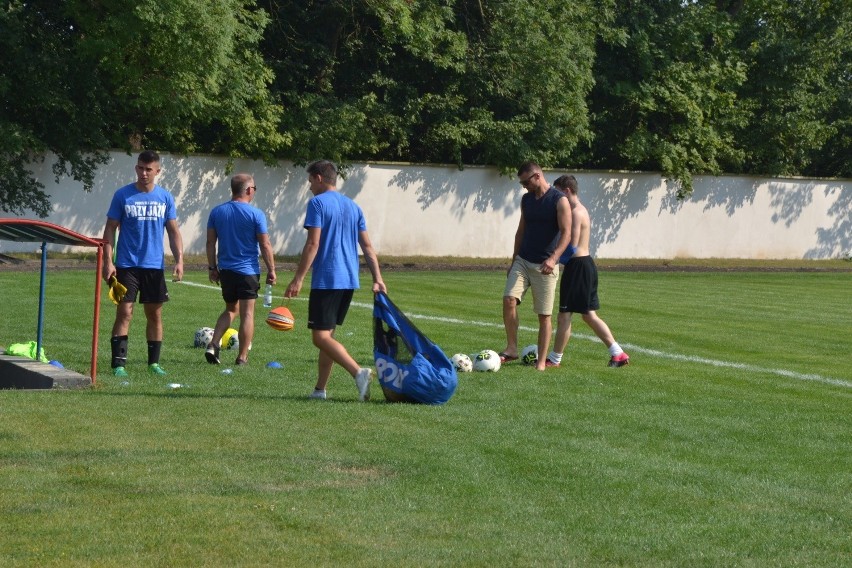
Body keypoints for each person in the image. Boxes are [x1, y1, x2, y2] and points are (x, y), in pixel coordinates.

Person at [284, 160, 387, 401]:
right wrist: (378, 278)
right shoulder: (353, 207)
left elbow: (313, 244)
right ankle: (320, 390)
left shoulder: (317, 204)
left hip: (328, 279)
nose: (309, 187)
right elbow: (368, 247)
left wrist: (298, 279)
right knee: (327, 337)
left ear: (319, 178)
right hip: (349, 280)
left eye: (310, 181)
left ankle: (358, 372)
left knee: (320, 338)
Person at [101, 150, 184, 377]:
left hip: (154, 266)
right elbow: (109, 229)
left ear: (157, 171)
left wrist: (179, 261)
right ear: (136, 168)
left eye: (149, 169)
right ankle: (119, 365)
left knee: (154, 315)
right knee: (124, 312)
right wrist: (108, 262)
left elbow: (174, 231)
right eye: (140, 168)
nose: (144, 173)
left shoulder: (165, 198)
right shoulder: (123, 195)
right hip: (127, 265)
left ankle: (154, 364)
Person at [545, 175, 630, 368]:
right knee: (588, 314)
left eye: (559, 193)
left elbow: (572, 244)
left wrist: (553, 260)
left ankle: (555, 359)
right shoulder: (581, 209)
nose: (558, 198)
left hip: (578, 267)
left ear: (567, 191)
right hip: (584, 266)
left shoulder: (575, 212)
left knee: (565, 315)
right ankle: (618, 353)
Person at [500, 161, 572, 371]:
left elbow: (566, 233)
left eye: (525, 182)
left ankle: (541, 362)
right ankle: (512, 348)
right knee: (509, 299)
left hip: (545, 265)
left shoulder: (560, 201)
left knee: (544, 316)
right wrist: (514, 259)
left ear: (537, 176)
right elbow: (521, 230)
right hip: (523, 260)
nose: (524, 186)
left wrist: (553, 258)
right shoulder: (526, 200)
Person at [204, 173, 276, 366]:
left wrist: (212, 267)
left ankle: (213, 344)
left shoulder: (217, 212)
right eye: (254, 188)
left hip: (226, 270)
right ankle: (242, 357)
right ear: (248, 190)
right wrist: (272, 269)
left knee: (230, 309)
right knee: (247, 314)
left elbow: (211, 242)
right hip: (247, 271)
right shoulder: (256, 214)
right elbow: (265, 244)